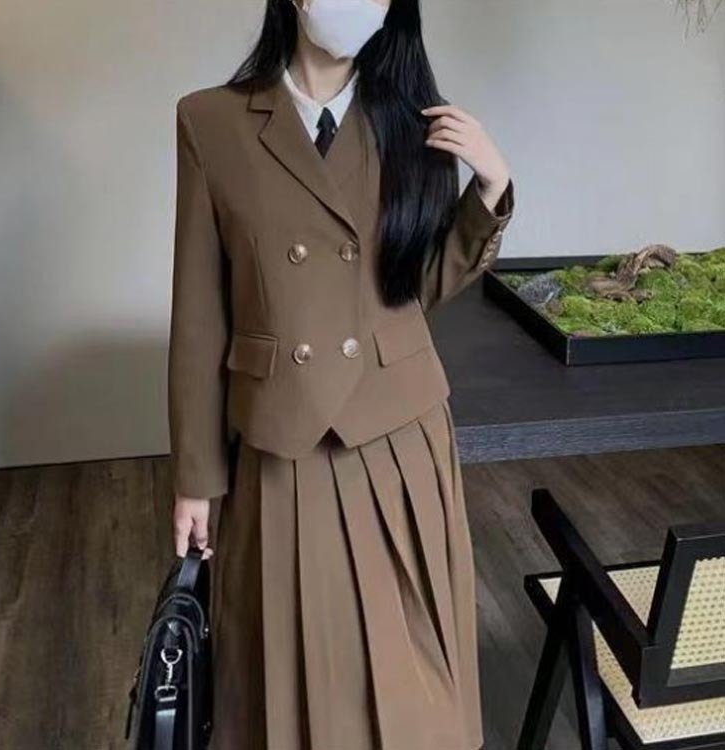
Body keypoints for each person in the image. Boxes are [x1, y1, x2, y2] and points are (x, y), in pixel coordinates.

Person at [167, 0, 515, 747]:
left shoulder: (413, 123)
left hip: (396, 435)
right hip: (281, 436)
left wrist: (488, 191)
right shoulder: (210, 121)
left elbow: (413, 287)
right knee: (285, 675)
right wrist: (196, 476)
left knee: (412, 683)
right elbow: (199, 314)